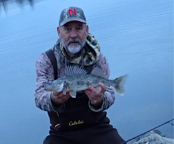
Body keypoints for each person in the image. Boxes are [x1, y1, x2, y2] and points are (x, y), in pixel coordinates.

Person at [34, 6, 125, 144]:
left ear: (86, 30)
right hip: (62, 133)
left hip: (97, 127)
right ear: (59, 32)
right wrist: (53, 99)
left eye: (79, 28)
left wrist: (99, 100)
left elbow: (110, 95)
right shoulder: (47, 60)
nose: (73, 35)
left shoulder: (98, 58)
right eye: (67, 29)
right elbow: (39, 96)